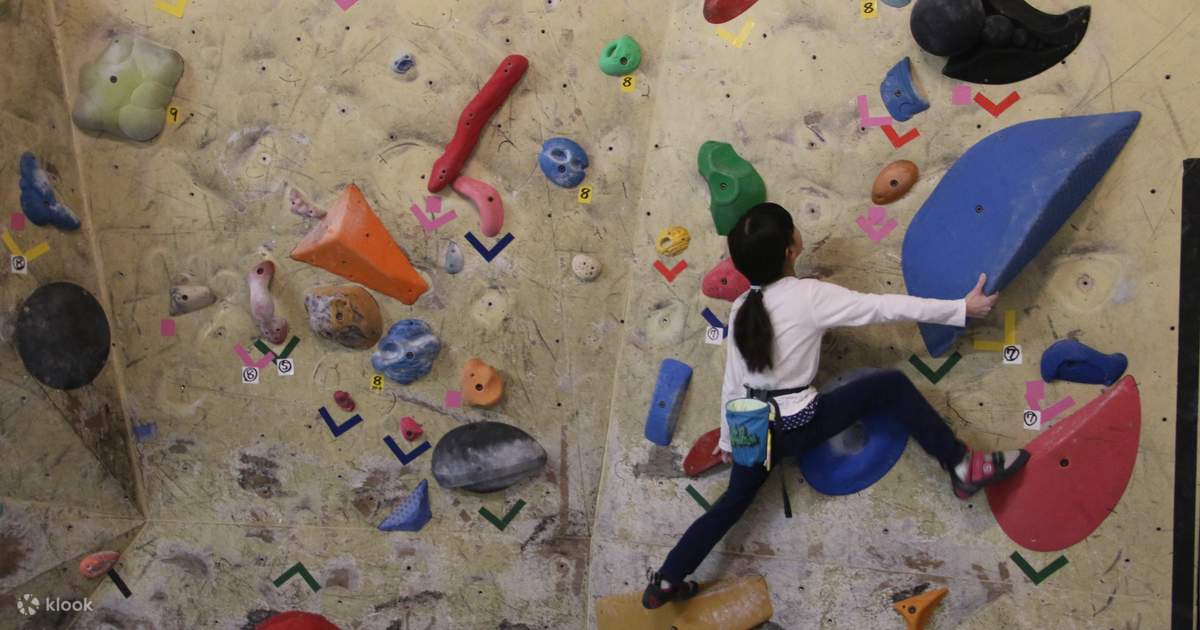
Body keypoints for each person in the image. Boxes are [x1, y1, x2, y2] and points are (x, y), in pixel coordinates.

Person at [642, 202, 1030, 608]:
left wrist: (727, 440)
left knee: (729, 506)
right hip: (795, 425)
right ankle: (961, 464)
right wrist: (959, 309)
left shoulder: (741, 308)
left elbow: (733, 383)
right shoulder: (808, 295)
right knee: (892, 386)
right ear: (791, 251)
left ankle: (667, 579)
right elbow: (882, 307)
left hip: (751, 430)